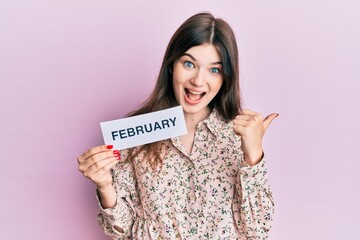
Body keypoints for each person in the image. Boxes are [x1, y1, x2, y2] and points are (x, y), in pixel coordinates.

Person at [77, 12, 277, 239]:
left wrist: (254, 156)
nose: (198, 81)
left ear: (225, 77)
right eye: (189, 64)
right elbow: (122, 231)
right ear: (172, 65)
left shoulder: (239, 136)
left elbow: (258, 230)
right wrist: (104, 185)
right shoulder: (135, 133)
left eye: (214, 69)